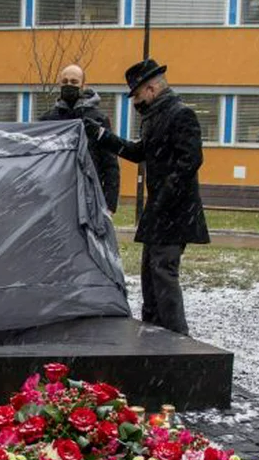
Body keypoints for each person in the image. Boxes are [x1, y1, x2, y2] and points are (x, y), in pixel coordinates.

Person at [84, 59, 209, 335]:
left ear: (151, 89)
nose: (136, 102)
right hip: (161, 212)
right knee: (150, 276)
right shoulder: (156, 117)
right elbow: (140, 152)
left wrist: (165, 197)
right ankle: (154, 331)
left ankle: (176, 337)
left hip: (173, 212)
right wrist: (103, 136)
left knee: (163, 274)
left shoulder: (180, 114)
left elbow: (191, 160)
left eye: (137, 95)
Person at [38, 64, 120, 213]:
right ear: (59, 84)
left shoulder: (98, 119)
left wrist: (109, 205)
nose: (69, 85)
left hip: (90, 197)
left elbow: (110, 164)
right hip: (55, 198)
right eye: (65, 81)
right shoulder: (47, 121)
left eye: (74, 82)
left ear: (83, 85)